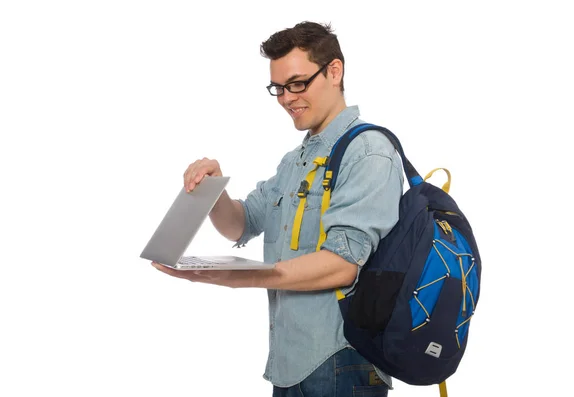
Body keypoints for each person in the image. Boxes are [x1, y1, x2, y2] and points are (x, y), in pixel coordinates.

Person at [151, 21, 403, 397]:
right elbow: (242, 224)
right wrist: (213, 190)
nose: (287, 98)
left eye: (297, 83)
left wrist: (244, 277)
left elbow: (343, 263)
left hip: (341, 361)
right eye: (279, 88)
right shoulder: (296, 160)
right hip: (289, 362)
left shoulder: (367, 152)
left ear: (334, 71)